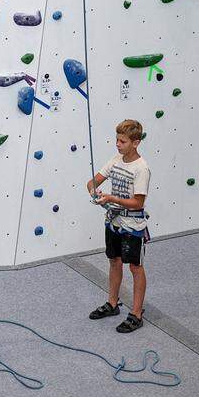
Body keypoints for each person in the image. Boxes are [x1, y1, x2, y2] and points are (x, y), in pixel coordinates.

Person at [84, 119, 151, 333]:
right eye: (117, 140)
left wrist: (111, 197)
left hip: (132, 225)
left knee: (135, 267)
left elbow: (138, 202)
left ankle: (137, 314)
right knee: (114, 261)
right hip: (114, 222)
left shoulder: (141, 169)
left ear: (136, 142)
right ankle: (112, 303)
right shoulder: (115, 160)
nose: (118, 144)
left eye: (122, 141)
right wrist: (94, 191)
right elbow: (93, 181)